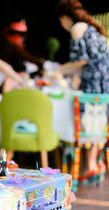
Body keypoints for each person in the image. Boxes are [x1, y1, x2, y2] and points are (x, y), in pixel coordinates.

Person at [53, 0, 109, 179]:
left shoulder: (77, 28)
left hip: (96, 79)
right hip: (103, 79)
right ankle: (93, 163)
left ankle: (91, 164)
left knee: (91, 118)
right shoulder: (89, 27)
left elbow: (81, 61)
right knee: (98, 118)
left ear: (64, 18)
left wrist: (57, 70)